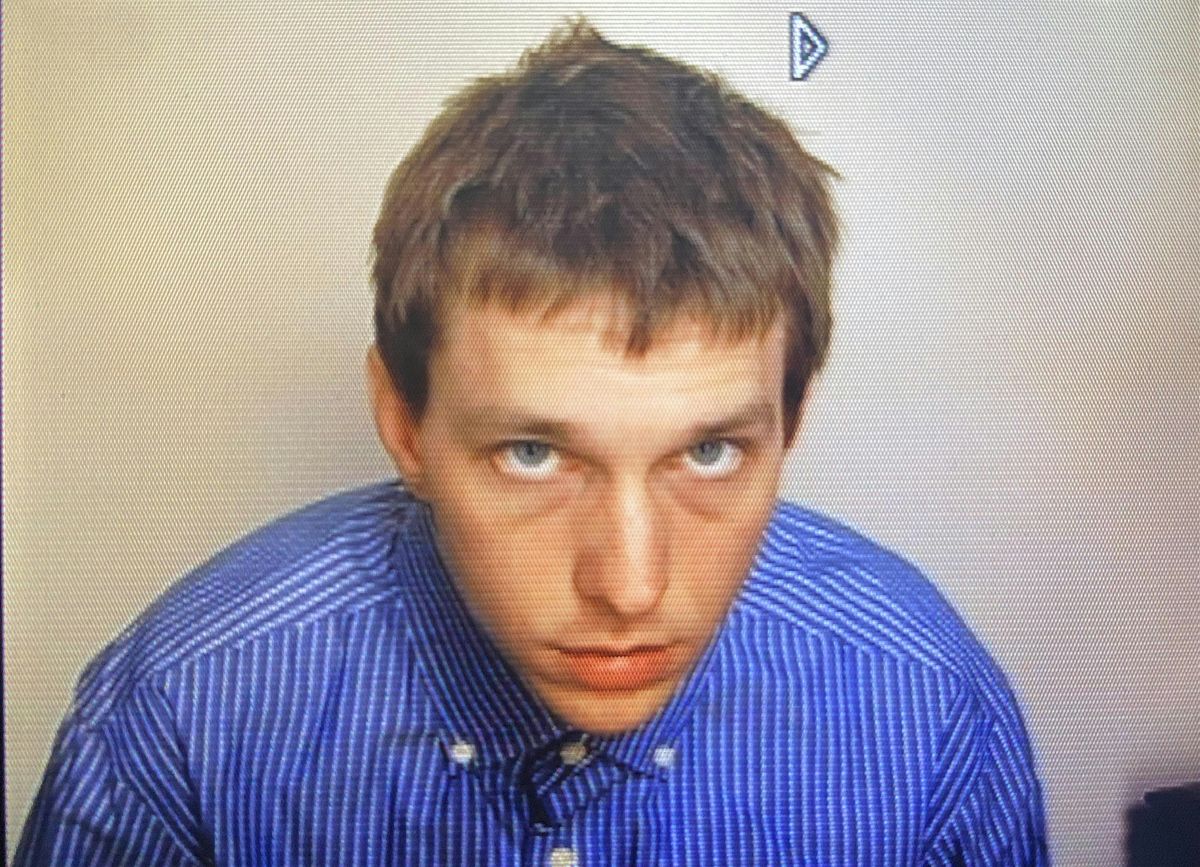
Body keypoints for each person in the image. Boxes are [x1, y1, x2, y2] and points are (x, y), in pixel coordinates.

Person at [14, 15, 1050, 866]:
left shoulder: (927, 704)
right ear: (404, 423)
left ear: (793, 422)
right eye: (534, 454)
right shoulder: (183, 713)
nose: (630, 587)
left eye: (709, 453)